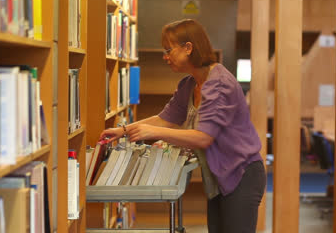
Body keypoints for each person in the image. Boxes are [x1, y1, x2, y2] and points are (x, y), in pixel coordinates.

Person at [99, 19, 266, 233]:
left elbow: (203, 137)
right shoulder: (189, 84)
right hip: (220, 177)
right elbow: (165, 118)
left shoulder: (219, 84)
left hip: (242, 174)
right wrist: (124, 130)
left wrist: (153, 133)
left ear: (188, 48)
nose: (164, 57)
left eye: (168, 50)